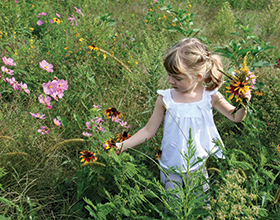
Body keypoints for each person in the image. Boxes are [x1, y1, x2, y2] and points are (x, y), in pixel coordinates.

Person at [116, 38, 251, 193]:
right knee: (173, 208)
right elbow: (148, 130)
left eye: (177, 78)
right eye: (169, 75)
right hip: (170, 165)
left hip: (197, 166)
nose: (170, 80)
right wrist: (122, 145)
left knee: (201, 207)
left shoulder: (210, 96)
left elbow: (236, 117)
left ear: (198, 77)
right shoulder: (165, 99)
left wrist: (244, 103)